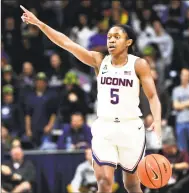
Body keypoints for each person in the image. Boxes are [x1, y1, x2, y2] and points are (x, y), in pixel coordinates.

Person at [20, 6, 161, 193]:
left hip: (130, 127)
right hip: (105, 126)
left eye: (116, 37)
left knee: (132, 185)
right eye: (109, 37)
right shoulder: (99, 60)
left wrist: (157, 121)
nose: (111, 40)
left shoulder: (139, 64)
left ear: (128, 42)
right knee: (104, 180)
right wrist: (39, 24)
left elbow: (152, 95)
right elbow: (67, 43)